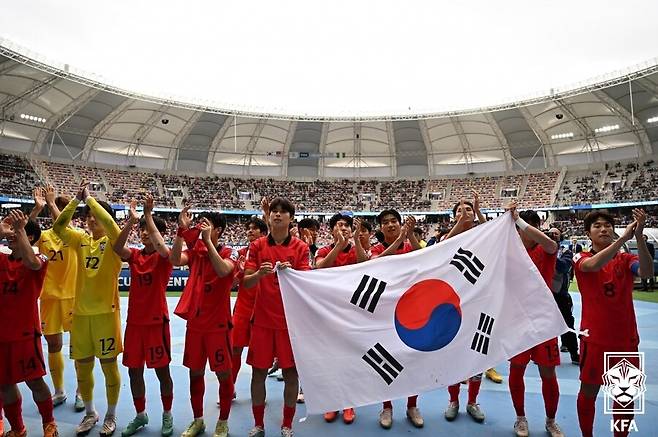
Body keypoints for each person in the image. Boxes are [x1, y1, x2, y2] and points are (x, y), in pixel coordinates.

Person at [574, 209, 654, 437]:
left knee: (624, 397)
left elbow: (647, 273)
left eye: (607, 225)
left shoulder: (627, 258)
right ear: (588, 234)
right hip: (595, 340)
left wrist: (638, 237)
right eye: (597, 226)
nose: (604, 229)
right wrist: (623, 239)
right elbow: (593, 267)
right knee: (588, 392)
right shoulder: (582, 257)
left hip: (625, 341)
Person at [53, 182, 124, 435]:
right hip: (81, 316)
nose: (90, 220)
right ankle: (90, 413)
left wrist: (91, 200)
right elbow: (58, 227)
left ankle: (111, 415)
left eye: (95, 217)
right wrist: (75, 201)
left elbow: (112, 225)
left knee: (108, 367)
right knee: (83, 367)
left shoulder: (116, 243)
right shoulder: (79, 239)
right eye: (88, 217)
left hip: (106, 314)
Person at [243, 198, 310, 437]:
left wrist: (291, 272)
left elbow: (306, 285)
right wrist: (260, 274)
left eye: (283, 212)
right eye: (274, 211)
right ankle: (258, 424)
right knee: (258, 373)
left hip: (288, 324)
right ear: (269, 216)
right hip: (261, 322)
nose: (278, 215)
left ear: (291, 218)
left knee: (291, 374)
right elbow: (246, 282)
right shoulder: (258, 245)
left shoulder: (301, 248)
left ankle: (287, 425)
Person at [171, 209, 238, 437]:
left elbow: (222, 271)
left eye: (205, 224)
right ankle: (198, 420)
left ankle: (223, 421)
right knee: (195, 374)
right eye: (199, 224)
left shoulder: (230, 252)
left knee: (224, 375)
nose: (200, 228)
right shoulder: (196, 252)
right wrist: (181, 231)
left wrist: (208, 241)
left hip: (218, 327)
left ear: (217, 229)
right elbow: (173, 259)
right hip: (196, 326)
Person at [112, 197, 174, 437]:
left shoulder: (163, 257)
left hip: (156, 323)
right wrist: (132, 221)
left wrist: (148, 217)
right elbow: (117, 248)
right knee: (133, 371)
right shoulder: (135, 255)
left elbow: (164, 250)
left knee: (162, 372)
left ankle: (167, 414)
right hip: (135, 324)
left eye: (149, 231)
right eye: (143, 231)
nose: (145, 234)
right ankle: (140, 414)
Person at [0, 209, 59, 437]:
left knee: (35, 382)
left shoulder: (39, 258)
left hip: (25, 334)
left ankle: (49, 423)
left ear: (30, 236)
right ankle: (18, 428)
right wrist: (3, 230)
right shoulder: (3, 258)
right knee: (4, 385)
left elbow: (32, 264)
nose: (11, 234)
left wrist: (20, 230)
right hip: (2, 335)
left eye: (16, 230)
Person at [506, 206, 563, 437]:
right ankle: (520, 418)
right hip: (517, 320)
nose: (527, 232)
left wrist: (519, 220)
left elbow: (552, 245)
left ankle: (551, 421)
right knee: (516, 369)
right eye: (522, 227)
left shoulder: (546, 249)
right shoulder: (510, 252)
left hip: (544, 320)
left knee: (548, 373)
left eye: (532, 226)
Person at [29, 186, 83, 410]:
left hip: (73, 297)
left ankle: (82, 391)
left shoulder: (76, 236)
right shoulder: (44, 237)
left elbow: (63, 224)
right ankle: (59, 391)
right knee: (54, 345)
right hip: (50, 298)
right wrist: (36, 210)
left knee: (79, 347)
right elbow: (25, 233)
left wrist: (51, 204)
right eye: (62, 210)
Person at [370, 209, 424, 429]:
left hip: (412, 312)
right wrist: (401, 239)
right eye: (386, 222)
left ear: (401, 224)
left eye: (394, 221)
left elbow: (425, 257)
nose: (390, 225)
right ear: (381, 228)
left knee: (414, 360)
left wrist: (409, 236)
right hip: (384, 313)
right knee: (386, 361)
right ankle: (387, 407)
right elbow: (376, 264)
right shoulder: (375, 249)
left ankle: (412, 405)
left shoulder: (412, 246)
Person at [442, 200, 487, 423]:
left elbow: (493, 234)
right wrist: (460, 224)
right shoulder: (448, 238)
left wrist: (478, 213)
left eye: (468, 209)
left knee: (477, 357)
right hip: (454, 306)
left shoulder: (484, 235)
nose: (465, 213)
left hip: (480, 304)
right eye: (459, 211)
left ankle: (472, 401)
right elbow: (442, 248)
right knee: (454, 356)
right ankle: (453, 400)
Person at [316, 213, 359, 425]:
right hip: (327, 313)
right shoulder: (324, 250)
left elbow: (366, 265)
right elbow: (318, 268)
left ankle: (349, 402)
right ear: (331, 230)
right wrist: (338, 246)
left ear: (351, 230)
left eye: (345, 226)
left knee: (349, 359)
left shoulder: (355, 250)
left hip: (352, 313)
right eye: (338, 225)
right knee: (330, 359)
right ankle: (331, 402)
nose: (342, 228)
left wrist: (355, 242)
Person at [231, 217, 268, 389]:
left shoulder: (269, 253)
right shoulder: (239, 254)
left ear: (264, 233)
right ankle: (229, 388)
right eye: (248, 228)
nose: (250, 231)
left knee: (260, 354)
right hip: (243, 308)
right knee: (235, 349)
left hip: (263, 309)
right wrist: (239, 272)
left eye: (254, 229)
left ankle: (258, 389)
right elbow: (231, 284)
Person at [548, 228, 579, 365]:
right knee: (544, 324)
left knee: (567, 322)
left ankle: (573, 351)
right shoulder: (540, 249)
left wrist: (551, 252)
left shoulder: (566, 252)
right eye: (550, 233)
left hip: (560, 293)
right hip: (544, 294)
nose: (553, 234)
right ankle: (544, 351)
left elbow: (563, 267)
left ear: (561, 237)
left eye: (556, 233)